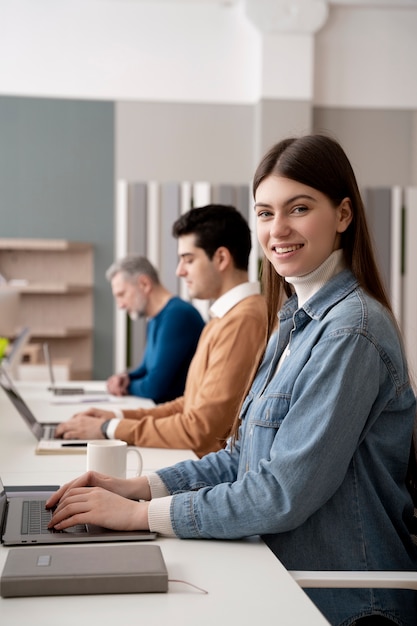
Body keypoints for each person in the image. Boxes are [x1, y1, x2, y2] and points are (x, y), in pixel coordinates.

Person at [47, 136, 417, 626]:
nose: (277, 229)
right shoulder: (292, 321)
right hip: (280, 574)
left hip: (341, 601)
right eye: (265, 213)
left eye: (298, 208)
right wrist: (136, 488)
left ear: (344, 215)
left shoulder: (351, 333)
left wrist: (139, 517)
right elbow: (241, 457)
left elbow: (281, 493)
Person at [54, 205, 268, 458]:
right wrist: (116, 416)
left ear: (221, 258)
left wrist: (108, 428)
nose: (179, 271)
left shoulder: (243, 321)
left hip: (205, 471)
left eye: (188, 259)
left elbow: (199, 430)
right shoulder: (223, 317)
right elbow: (190, 404)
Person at [104, 256, 205, 402]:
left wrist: (125, 387)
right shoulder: (155, 318)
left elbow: (154, 388)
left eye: (122, 294)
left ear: (144, 284)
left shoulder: (178, 316)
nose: (120, 305)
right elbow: (146, 369)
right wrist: (125, 378)